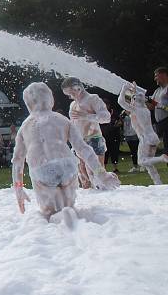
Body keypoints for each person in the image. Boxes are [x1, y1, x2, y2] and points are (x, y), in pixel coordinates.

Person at [12, 83, 119, 221]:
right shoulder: (61, 120)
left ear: (28, 104)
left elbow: (17, 162)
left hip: (41, 170)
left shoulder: (25, 126)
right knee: (69, 206)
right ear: (50, 99)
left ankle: (57, 219)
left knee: (49, 213)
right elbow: (84, 149)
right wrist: (101, 174)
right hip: (67, 166)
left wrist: (19, 189)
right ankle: (72, 216)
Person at [60, 77, 111, 189]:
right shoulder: (73, 104)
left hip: (94, 139)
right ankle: (91, 199)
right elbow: (72, 124)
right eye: (67, 94)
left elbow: (106, 117)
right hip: (79, 142)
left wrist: (86, 116)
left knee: (97, 170)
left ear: (78, 88)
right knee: (82, 174)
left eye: (71, 92)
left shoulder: (93, 99)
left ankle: (104, 192)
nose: (70, 96)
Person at [118, 82, 163, 184]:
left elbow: (121, 101)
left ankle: (162, 158)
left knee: (141, 161)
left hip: (145, 138)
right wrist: (134, 90)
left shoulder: (135, 109)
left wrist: (124, 88)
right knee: (148, 163)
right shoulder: (145, 109)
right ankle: (158, 182)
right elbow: (136, 99)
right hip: (153, 137)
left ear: (134, 100)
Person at [147, 66, 168, 150]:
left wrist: (153, 102)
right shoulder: (157, 91)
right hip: (161, 124)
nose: (155, 79)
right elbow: (151, 107)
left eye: (156, 76)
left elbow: (163, 106)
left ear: (163, 75)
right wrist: (138, 100)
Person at [100, 99, 122, 173]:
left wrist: (117, 124)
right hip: (104, 136)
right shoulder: (100, 113)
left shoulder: (114, 113)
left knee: (114, 152)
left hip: (114, 135)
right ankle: (104, 168)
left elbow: (120, 121)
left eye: (106, 104)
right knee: (105, 153)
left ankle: (115, 168)